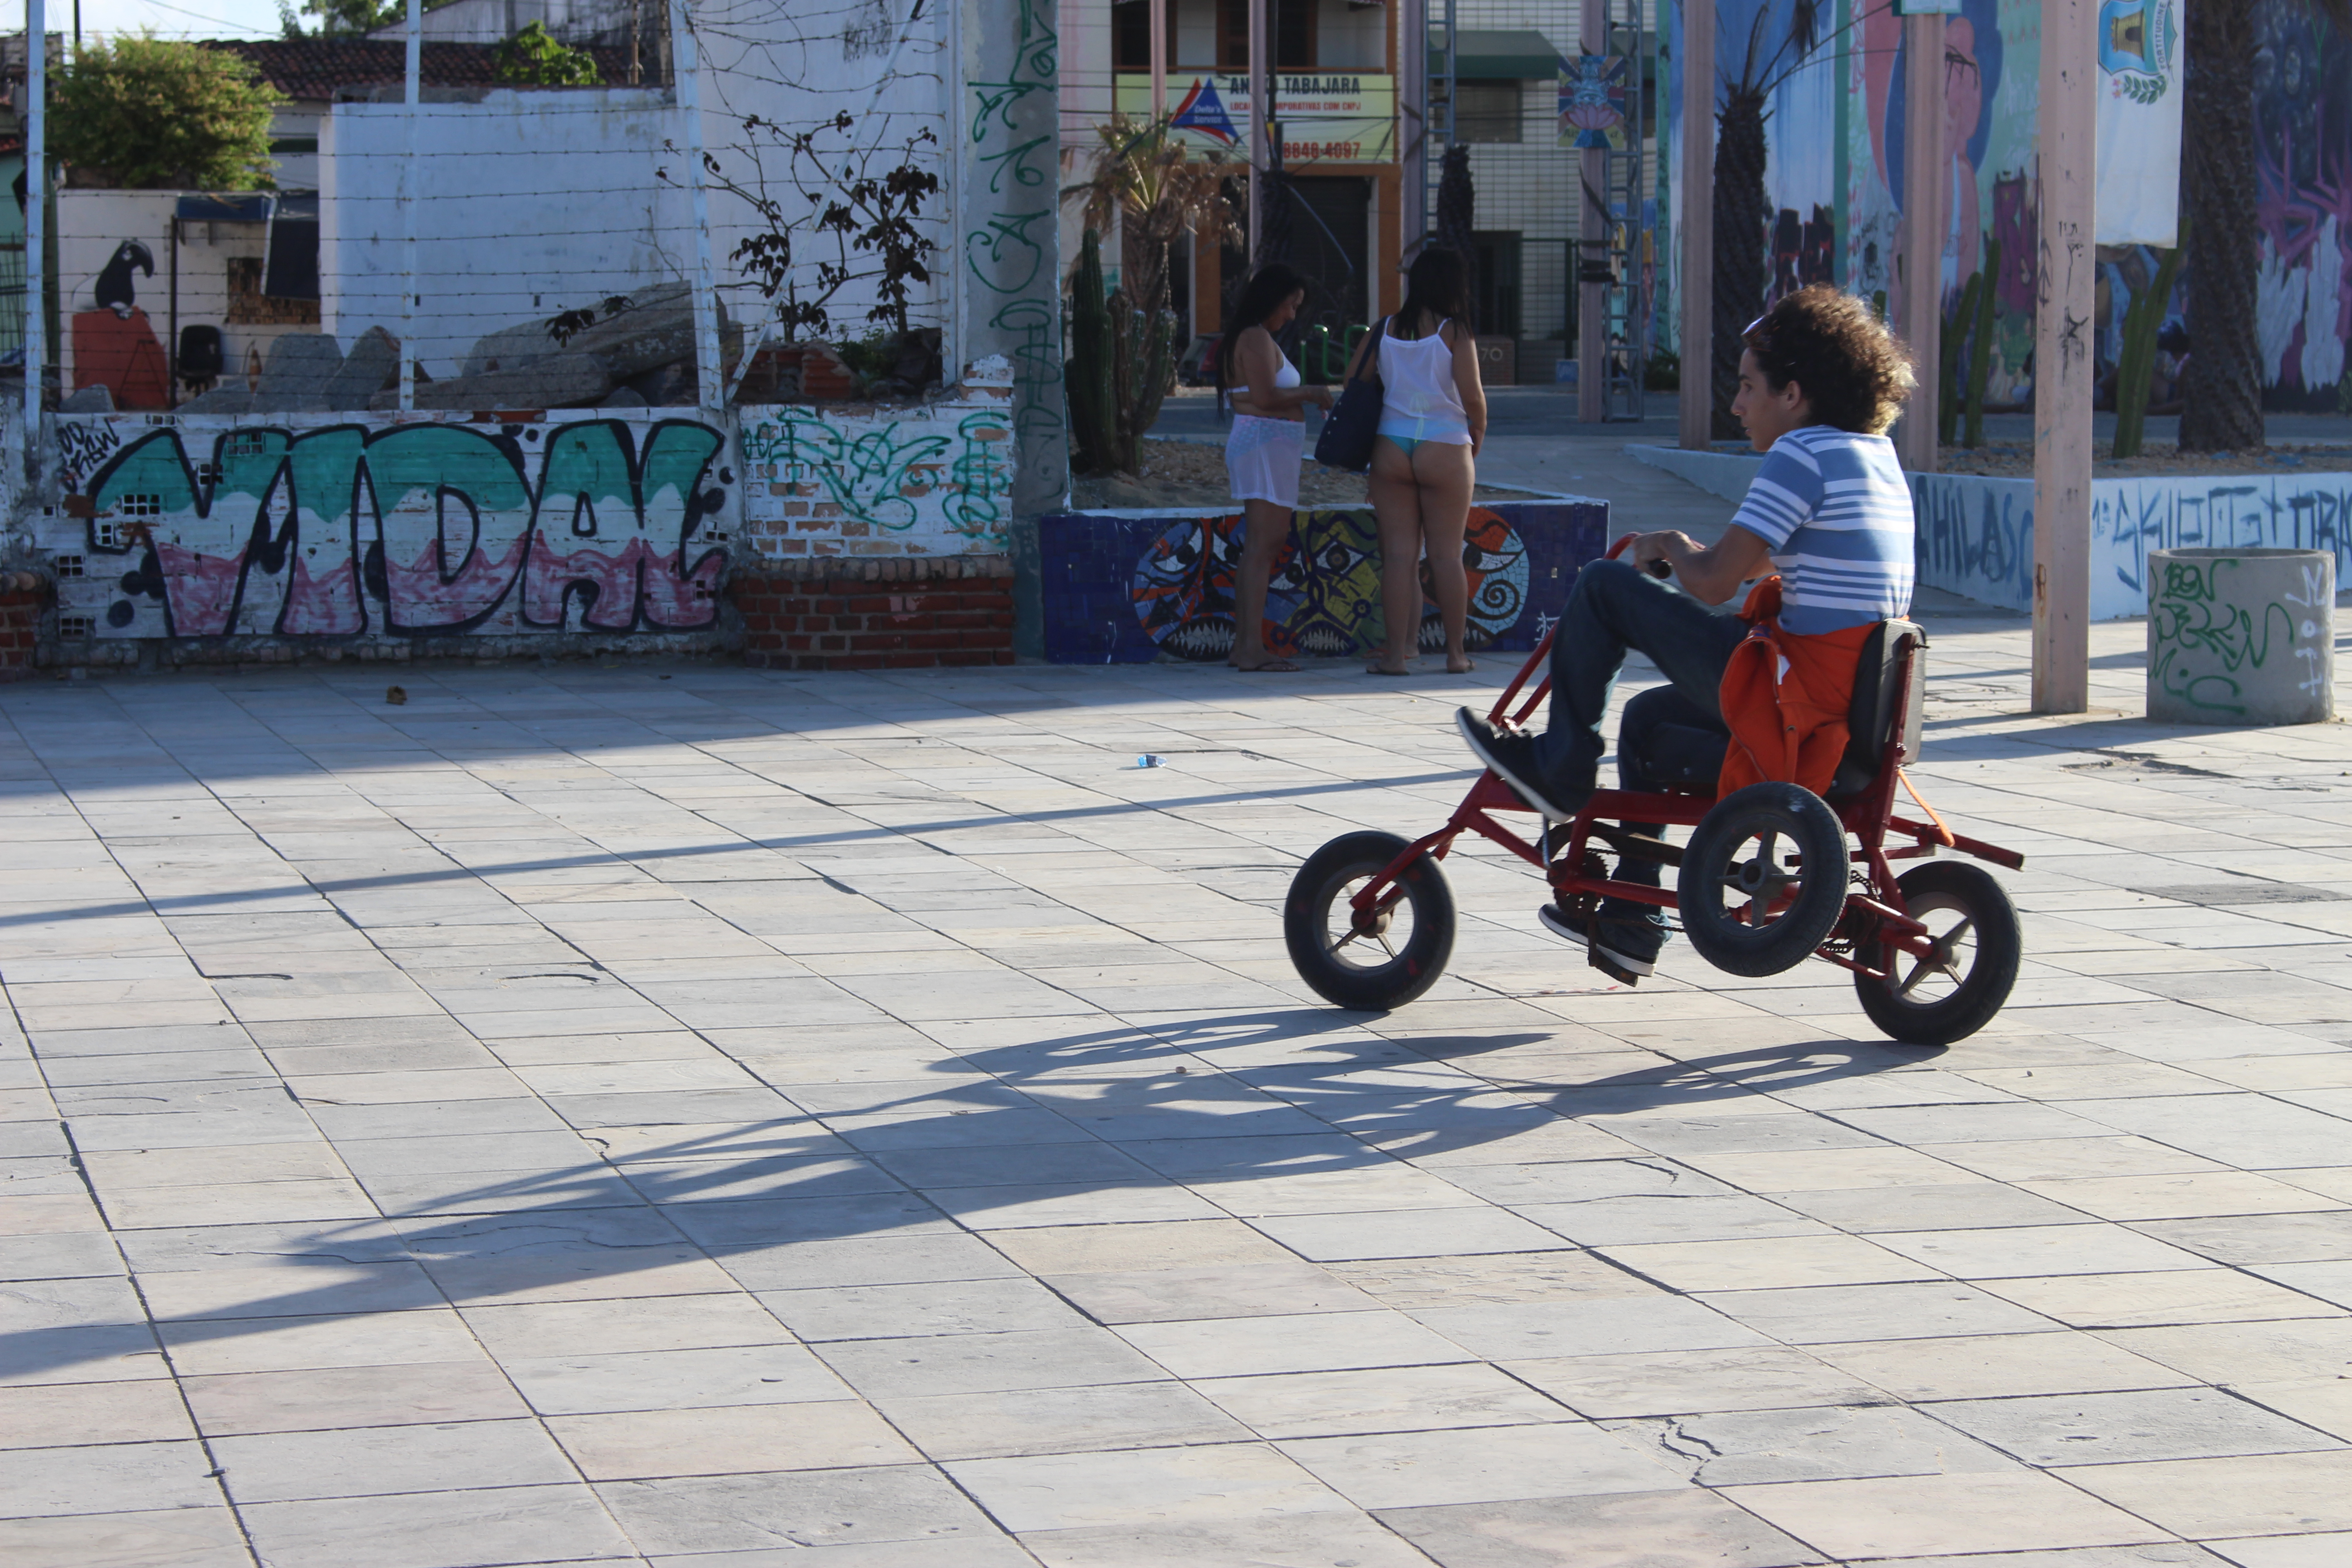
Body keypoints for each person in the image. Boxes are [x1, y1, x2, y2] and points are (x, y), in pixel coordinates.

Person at [1456, 285, 1917, 984]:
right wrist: (1686, 553)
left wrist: (1668, 544)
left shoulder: (1802, 455)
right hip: (1848, 717)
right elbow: (1750, 562)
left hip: (1796, 700)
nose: (1737, 405)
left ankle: (1561, 768)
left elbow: (1714, 582)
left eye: (1748, 387)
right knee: (1647, 722)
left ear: (1794, 394)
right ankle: (1632, 917)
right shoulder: (1873, 457)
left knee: (1603, 587)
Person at [1352, 245, 1486, 676]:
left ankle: (1396, 656)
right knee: (1446, 556)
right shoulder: (1454, 331)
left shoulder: (1385, 328)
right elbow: (1472, 397)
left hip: (1391, 445)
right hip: (1443, 443)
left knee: (1398, 557)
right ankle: (1455, 655)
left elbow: (1353, 379)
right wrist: (1478, 433)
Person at [1220, 263, 1335, 673]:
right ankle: (1251, 647)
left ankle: (1246, 645)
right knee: (1263, 545)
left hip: (1269, 445)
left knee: (1263, 544)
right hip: (1264, 445)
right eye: (1290, 305)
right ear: (1272, 299)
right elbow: (1266, 397)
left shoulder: (1254, 337)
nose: (1291, 314)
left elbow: (1253, 398)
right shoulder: (1254, 337)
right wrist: (1312, 392)